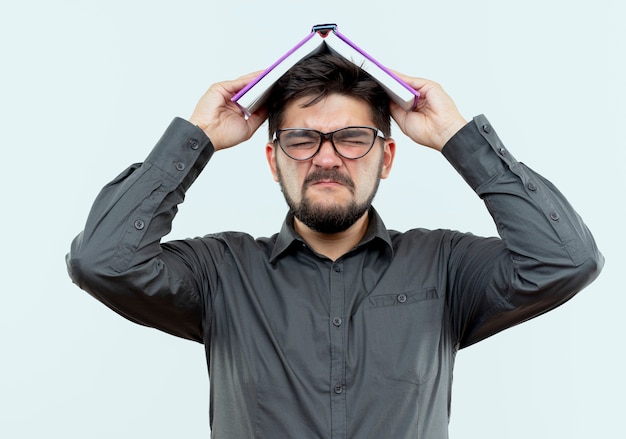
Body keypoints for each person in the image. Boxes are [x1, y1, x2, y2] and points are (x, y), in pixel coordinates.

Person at [66, 52, 603, 438]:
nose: (327, 158)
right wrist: (196, 135)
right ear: (273, 159)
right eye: (302, 140)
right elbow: (102, 261)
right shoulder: (220, 272)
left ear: (386, 157)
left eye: (352, 138)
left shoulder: (445, 267)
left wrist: (459, 137)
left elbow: (567, 260)